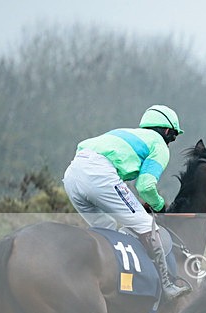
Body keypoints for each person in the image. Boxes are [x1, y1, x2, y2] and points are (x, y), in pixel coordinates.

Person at [62, 104, 189, 300]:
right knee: (147, 226)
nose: (171, 142)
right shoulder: (159, 145)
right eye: (173, 137)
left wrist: (140, 204)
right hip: (99, 174)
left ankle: (106, 280)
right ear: (166, 131)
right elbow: (146, 186)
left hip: (72, 174)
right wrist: (159, 206)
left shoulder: (127, 133)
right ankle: (167, 286)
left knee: (108, 229)